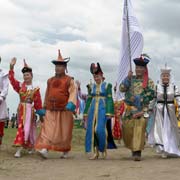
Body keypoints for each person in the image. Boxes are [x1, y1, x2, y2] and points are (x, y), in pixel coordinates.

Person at [35, 49, 76, 159]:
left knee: (64, 132)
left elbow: (73, 92)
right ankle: (45, 149)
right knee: (47, 129)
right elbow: (47, 93)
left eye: (60, 66)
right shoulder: (50, 80)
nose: (58, 68)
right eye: (56, 65)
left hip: (64, 110)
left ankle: (65, 150)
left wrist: (71, 103)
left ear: (64, 68)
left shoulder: (69, 80)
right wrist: (43, 106)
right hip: (50, 109)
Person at [119, 54, 154, 161]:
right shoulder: (131, 79)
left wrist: (139, 98)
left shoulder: (148, 81)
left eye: (141, 68)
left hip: (142, 110)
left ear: (144, 69)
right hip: (129, 110)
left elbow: (151, 94)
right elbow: (122, 89)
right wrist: (127, 78)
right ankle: (133, 148)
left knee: (139, 128)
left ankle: (137, 152)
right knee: (127, 129)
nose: (138, 69)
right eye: (137, 68)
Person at [9, 58, 45, 157]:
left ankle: (28, 146)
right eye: (24, 75)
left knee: (29, 128)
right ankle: (19, 149)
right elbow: (12, 80)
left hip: (30, 111)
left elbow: (38, 103)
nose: (26, 77)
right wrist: (11, 67)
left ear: (31, 76)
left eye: (27, 75)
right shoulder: (20, 86)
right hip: (21, 110)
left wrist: (41, 115)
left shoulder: (35, 89)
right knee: (22, 127)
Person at [148, 64, 180, 158]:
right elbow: (153, 99)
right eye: (164, 76)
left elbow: (178, 98)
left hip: (170, 110)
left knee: (171, 129)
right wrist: (149, 109)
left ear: (169, 77)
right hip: (159, 110)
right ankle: (163, 149)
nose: (165, 77)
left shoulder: (174, 87)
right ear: (161, 77)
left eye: (167, 76)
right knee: (161, 129)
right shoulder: (157, 87)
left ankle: (172, 147)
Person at [83, 62, 114, 160]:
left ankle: (103, 148)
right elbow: (88, 100)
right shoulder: (91, 87)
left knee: (99, 130)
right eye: (94, 77)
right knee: (91, 131)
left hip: (102, 110)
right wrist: (85, 113)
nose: (96, 78)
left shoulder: (107, 86)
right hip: (92, 110)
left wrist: (109, 112)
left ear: (101, 76)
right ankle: (95, 152)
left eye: (98, 76)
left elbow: (109, 99)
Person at [0, 57, 9, 146]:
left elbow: (5, 87)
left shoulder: (3, 74)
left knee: (0, 119)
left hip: (0, 99)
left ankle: (0, 136)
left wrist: (2, 97)